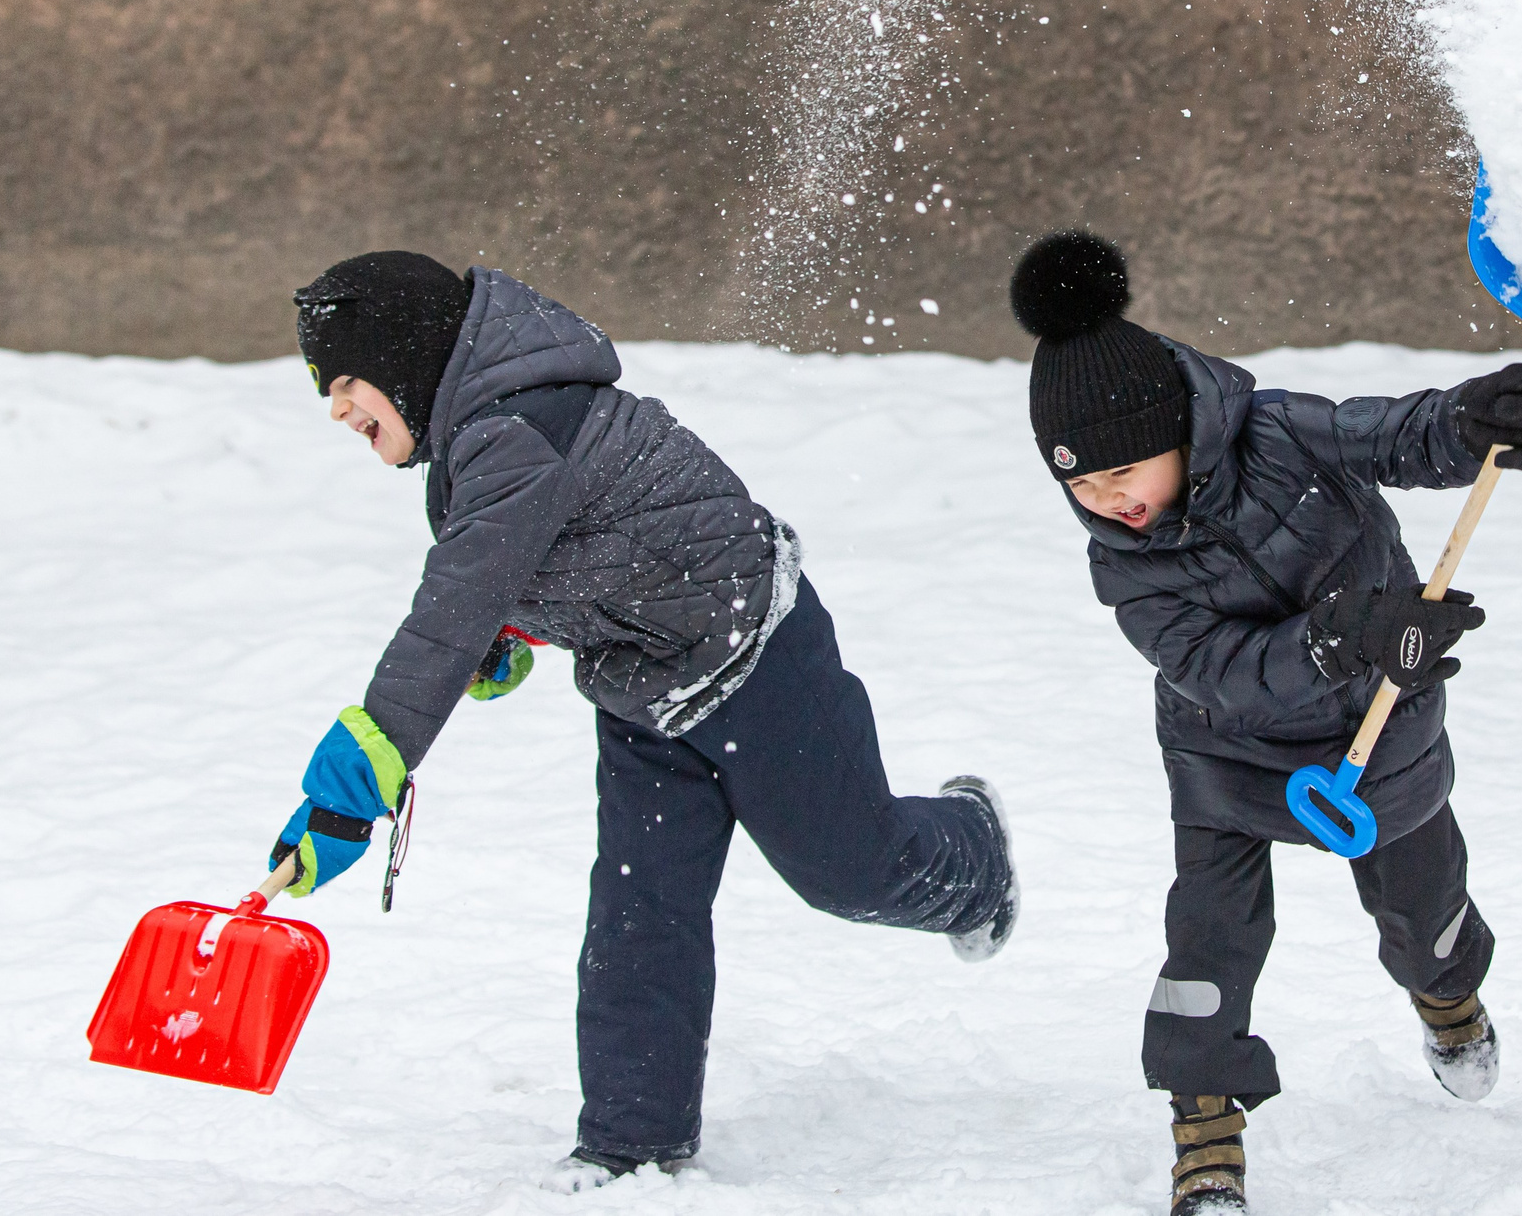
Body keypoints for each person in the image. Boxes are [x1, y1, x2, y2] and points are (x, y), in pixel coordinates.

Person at [271, 252, 1016, 1188]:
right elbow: (516, 575)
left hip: (756, 653)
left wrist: (349, 794)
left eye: (345, 383)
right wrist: (505, 636)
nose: (336, 409)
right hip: (645, 694)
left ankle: (975, 855)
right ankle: (631, 1139)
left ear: (409, 357)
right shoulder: (484, 441)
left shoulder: (515, 433)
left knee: (849, 868)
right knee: (637, 914)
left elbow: (446, 612)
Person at [1008, 231, 1522, 1216]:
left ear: (1178, 425)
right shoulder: (1125, 567)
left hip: (1381, 711)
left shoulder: (1279, 432)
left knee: (1422, 908)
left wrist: (1478, 422)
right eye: (1083, 488)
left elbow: (1392, 434)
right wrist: (1342, 633)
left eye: (1122, 472)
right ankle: (1205, 1131)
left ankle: (1446, 997)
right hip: (1228, 755)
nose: (1111, 503)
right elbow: (1219, 673)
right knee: (1207, 945)